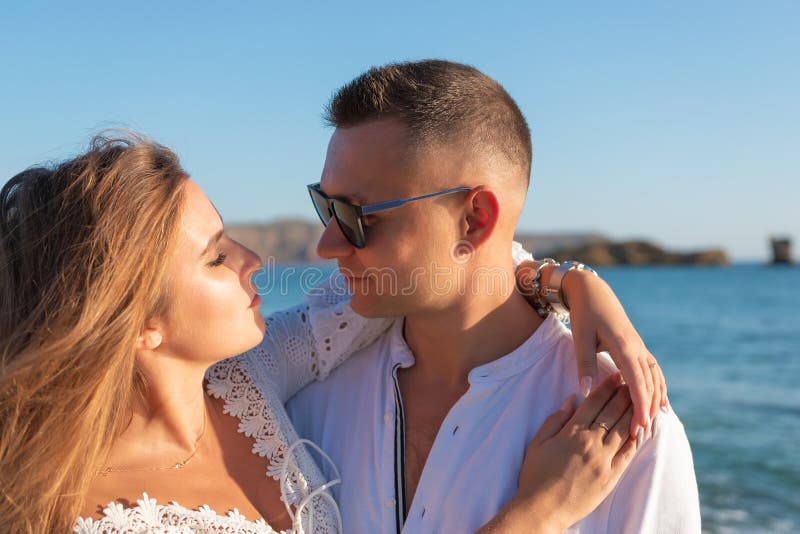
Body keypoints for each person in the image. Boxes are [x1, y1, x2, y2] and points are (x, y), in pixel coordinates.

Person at [0, 133, 659, 533]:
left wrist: (570, 284)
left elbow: (427, 266)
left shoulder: (248, 377)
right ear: (137, 325)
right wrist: (539, 513)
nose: (252, 261)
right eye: (215, 256)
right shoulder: (79, 511)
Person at [287, 60, 701, 532]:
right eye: (326, 207)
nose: (327, 245)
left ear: (475, 220)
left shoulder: (631, 436)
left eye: (355, 215)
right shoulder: (309, 398)